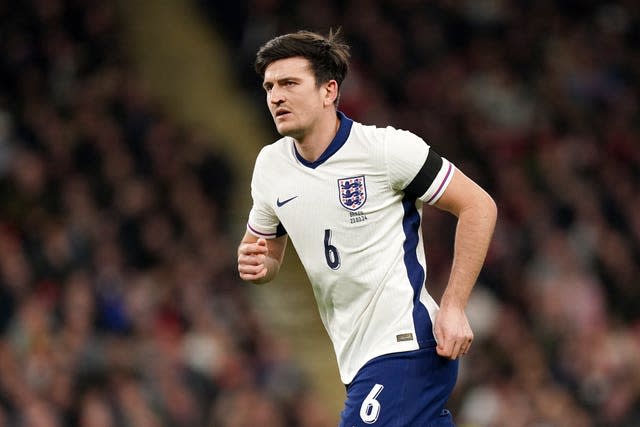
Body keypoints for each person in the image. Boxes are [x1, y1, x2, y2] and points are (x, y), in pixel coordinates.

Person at [237, 29, 497, 426]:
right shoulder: (271, 166)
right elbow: (267, 252)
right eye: (269, 86)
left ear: (329, 91)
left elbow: (478, 206)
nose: (276, 96)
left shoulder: (386, 150)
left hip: (405, 345)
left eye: (289, 83)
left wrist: (455, 305)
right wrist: (258, 266)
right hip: (356, 359)